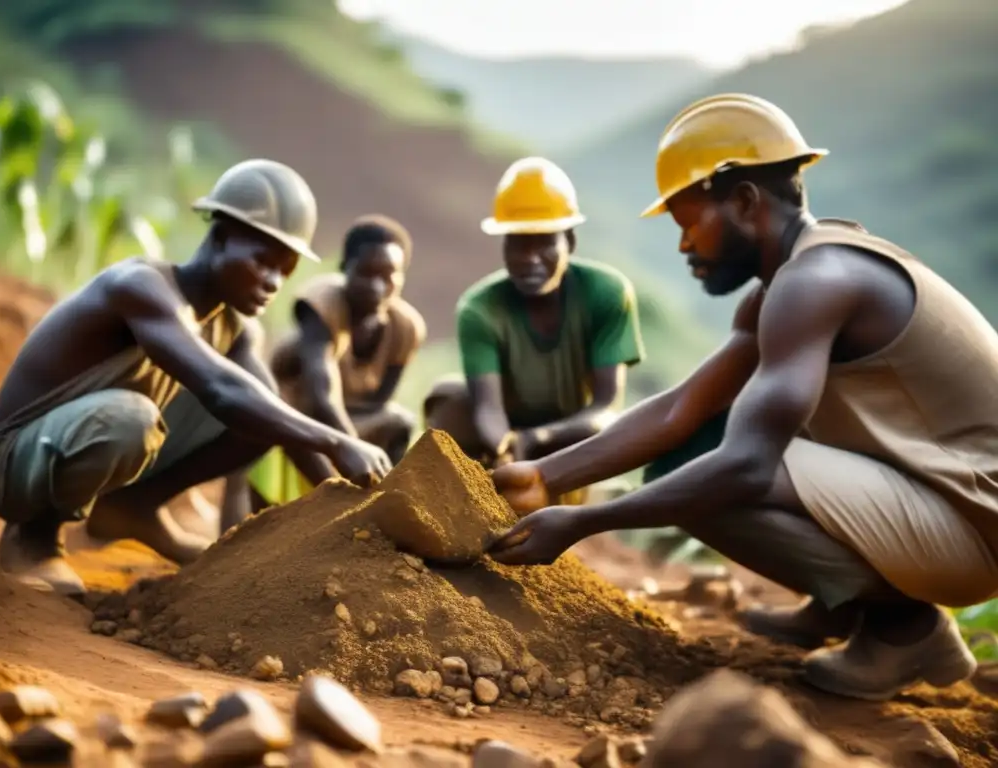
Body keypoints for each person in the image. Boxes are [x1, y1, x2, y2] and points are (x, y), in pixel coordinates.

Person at [487, 93, 998, 701]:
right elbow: (683, 407)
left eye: (688, 222)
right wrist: (544, 476)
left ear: (745, 202)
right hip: (936, 499)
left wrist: (584, 521)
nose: (683, 247)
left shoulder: (815, 283)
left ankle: (902, 628)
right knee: (697, 441)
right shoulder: (788, 285)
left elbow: (748, 466)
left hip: (973, 525)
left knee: (715, 464)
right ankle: (842, 607)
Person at [0, 159, 392, 597]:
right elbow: (221, 390)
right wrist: (337, 440)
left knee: (262, 414)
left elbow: (267, 410)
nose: (272, 282)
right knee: (133, 417)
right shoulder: (140, 286)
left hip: (78, 444)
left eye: (285, 271)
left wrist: (353, 501)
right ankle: (35, 536)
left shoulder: (235, 328)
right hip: (10, 465)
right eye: (262, 262)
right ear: (221, 234)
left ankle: (135, 508)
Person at [423, 156, 645, 485]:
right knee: (448, 402)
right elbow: (488, 407)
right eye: (518, 243)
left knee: (619, 434)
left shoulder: (607, 293)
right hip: (509, 432)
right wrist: (505, 446)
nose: (530, 259)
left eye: (544, 242)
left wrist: (538, 438)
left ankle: (566, 491)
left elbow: (605, 408)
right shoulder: (479, 308)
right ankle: (462, 491)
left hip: (572, 433)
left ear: (569, 242)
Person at [244, 214, 425, 512]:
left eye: (389, 275)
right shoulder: (323, 303)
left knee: (400, 422)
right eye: (367, 273)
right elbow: (321, 397)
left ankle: (385, 501)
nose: (377, 287)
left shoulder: (405, 327)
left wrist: (361, 448)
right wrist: (353, 451)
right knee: (295, 447)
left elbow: (380, 403)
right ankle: (342, 507)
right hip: (294, 416)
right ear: (344, 268)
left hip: (349, 419)